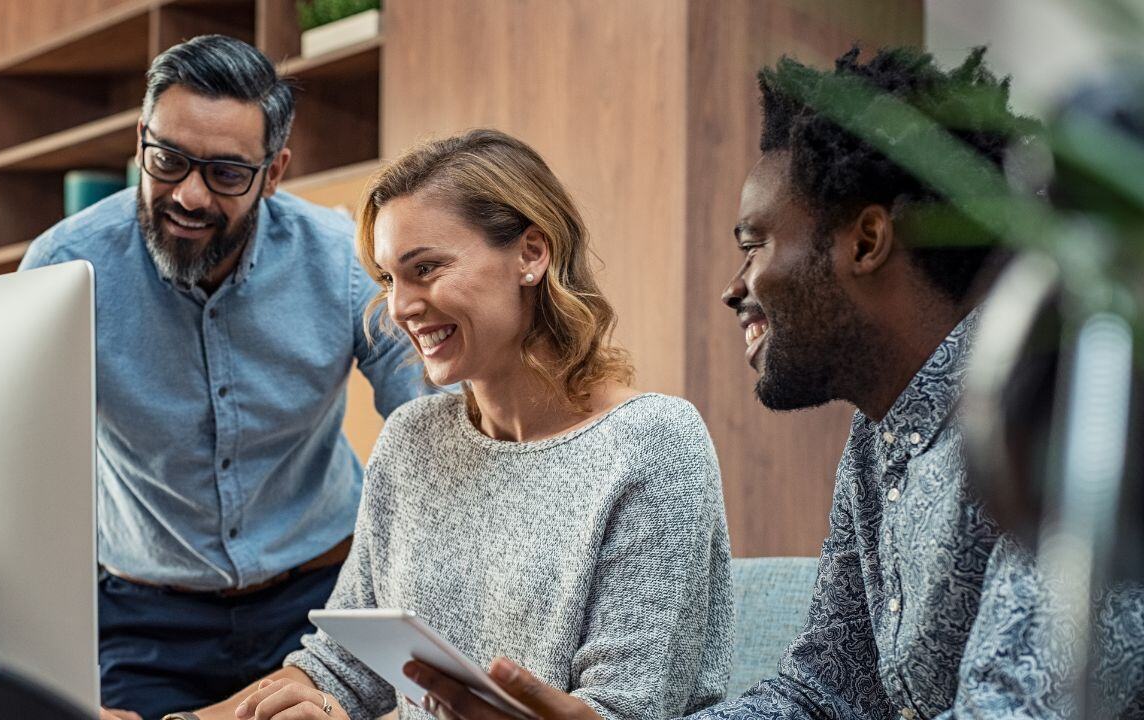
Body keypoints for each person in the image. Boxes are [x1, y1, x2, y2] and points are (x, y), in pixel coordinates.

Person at [405, 47, 1144, 719]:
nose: (735, 287)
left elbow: (1017, 711)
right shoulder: (879, 436)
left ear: (866, 240)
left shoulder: (1057, 403)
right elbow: (824, 691)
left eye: (754, 244)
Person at [180, 128, 734, 720]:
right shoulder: (412, 440)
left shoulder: (654, 444)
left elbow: (629, 710)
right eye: (390, 279)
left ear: (531, 253)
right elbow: (343, 670)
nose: (399, 307)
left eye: (426, 269)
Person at [18, 34, 426, 720]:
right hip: (144, 621)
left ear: (274, 172)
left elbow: (431, 426)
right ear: (140, 138)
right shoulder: (64, 269)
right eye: (168, 160)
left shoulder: (340, 262)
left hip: (320, 604)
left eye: (227, 174)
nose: (188, 194)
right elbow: (15, 467)